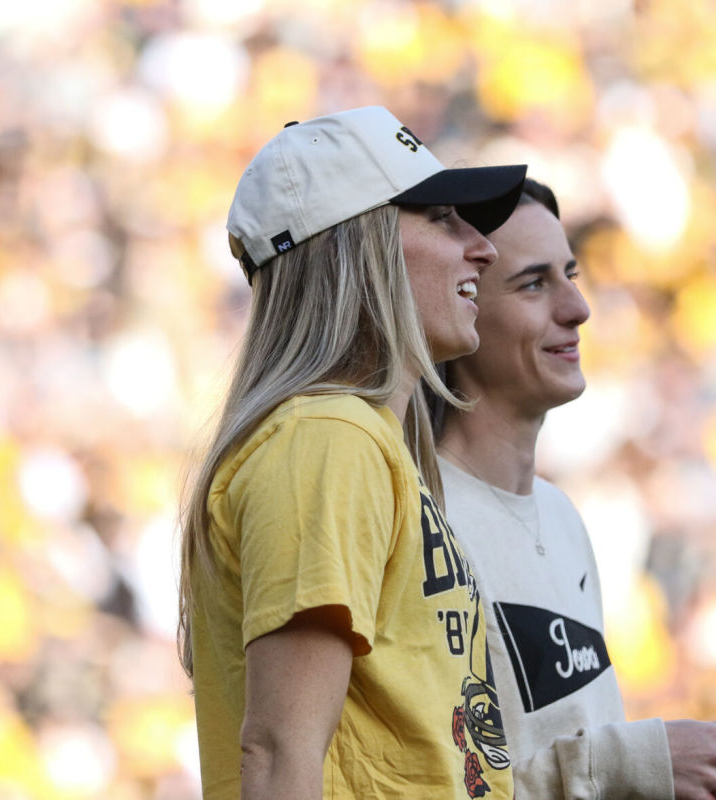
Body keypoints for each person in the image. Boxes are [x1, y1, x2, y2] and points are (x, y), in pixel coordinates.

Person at [178, 106, 528, 799]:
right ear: (356, 243)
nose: (482, 247)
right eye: (441, 218)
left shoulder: (355, 440)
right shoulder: (325, 440)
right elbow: (279, 755)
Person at [432, 178, 716, 800]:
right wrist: (636, 764)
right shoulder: (417, 514)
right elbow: (428, 783)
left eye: (571, 274)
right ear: (459, 304)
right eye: (534, 283)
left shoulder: (562, 516)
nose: (578, 307)